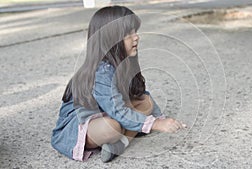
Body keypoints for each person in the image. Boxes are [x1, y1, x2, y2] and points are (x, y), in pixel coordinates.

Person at [51, 5, 186, 163]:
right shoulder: (100, 71)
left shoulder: (125, 63)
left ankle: (120, 144)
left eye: (135, 31)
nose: (136, 37)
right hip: (83, 123)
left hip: (111, 111)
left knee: (145, 102)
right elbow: (117, 111)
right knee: (112, 127)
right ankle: (122, 136)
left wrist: (161, 118)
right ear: (111, 39)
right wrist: (156, 124)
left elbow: (137, 96)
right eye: (128, 34)